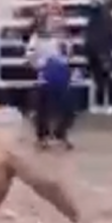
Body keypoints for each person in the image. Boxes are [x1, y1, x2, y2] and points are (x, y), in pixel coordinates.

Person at [27, 12, 74, 150]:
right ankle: (42, 136)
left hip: (62, 75)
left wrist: (64, 57)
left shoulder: (64, 37)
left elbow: (69, 54)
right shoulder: (38, 37)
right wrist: (40, 64)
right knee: (43, 108)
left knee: (66, 108)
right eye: (53, 21)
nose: (56, 23)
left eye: (58, 21)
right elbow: (30, 54)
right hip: (45, 76)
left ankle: (61, 133)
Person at [82, 0, 112, 114]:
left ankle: (108, 103)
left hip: (102, 47)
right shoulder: (94, 11)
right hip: (94, 47)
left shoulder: (105, 12)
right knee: (97, 77)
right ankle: (99, 103)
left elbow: (108, 31)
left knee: (105, 76)